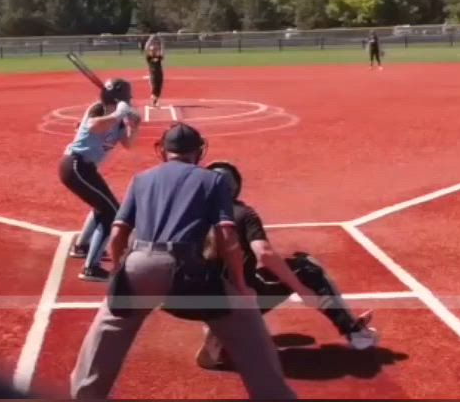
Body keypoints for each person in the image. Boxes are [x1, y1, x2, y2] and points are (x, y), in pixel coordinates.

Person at [70, 124, 295, 400]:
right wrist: (240, 285)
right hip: (186, 268)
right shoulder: (213, 181)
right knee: (249, 329)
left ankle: (85, 395)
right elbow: (227, 236)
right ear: (199, 152)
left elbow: (117, 234)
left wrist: (120, 273)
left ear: (163, 150)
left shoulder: (141, 179)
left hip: (138, 262)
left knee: (107, 329)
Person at [196, 160, 378, 370]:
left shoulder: (188, 214)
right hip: (235, 299)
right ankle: (356, 333)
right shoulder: (244, 214)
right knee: (306, 268)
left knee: (219, 279)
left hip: (193, 298)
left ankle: (218, 326)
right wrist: (302, 290)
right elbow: (264, 253)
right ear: (235, 188)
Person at [61, 78, 141, 281]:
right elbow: (95, 127)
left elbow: (128, 144)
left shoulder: (118, 120)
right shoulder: (98, 109)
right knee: (111, 212)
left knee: (103, 206)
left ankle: (82, 246)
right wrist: (119, 114)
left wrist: (133, 126)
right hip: (75, 166)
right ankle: (91, 268)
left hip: (86, 170)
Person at [144, 34, 164, 107]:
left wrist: (161, 42)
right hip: (153, 75)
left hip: (160, 74)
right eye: (152, 50)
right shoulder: (149, 58)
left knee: (159, 88)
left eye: (155, 50)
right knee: (154, 87)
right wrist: (150, 39)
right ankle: (153, 100)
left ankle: (155, 101)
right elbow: (146, 48)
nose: (153, 51)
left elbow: (162, 51)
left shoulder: (158, 57)